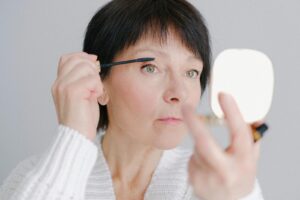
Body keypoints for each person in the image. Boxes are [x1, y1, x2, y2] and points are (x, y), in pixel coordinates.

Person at [0, 0, 264, 199]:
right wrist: (74, 136)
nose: (179, 93)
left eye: (191, 72)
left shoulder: (215, 183)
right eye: (150, 67)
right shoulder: (38, 177)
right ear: (99, 80)